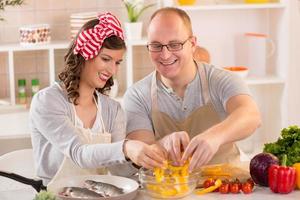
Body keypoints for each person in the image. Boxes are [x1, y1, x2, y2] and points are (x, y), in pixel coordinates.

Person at [29, 12, 166, 186]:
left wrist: (145, 157)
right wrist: (126, 147)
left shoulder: (112, 109)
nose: (112, 70)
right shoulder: (47, 101)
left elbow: (119, 170)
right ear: (85, 54)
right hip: (55, 195)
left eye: (117, 62)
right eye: (106, 59)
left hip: (98, 194)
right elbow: (80, 153)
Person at [124, 7, 261, 172]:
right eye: (156, 46)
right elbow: (141, 153)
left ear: (193, 44)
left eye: (175, 44)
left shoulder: (221, 80)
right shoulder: (137, 94)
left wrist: (214, 136)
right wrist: (162, 145)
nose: (165, 55)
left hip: (225, 187)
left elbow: (251, 115)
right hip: (171, 192)